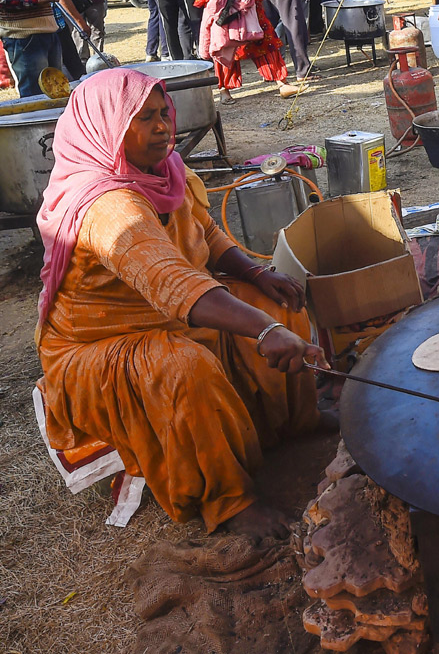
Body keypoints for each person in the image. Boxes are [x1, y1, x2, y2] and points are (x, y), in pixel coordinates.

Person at [35, 69, 327, 541]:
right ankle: (229, 500)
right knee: (183, 369)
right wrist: (264, 333)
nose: (163, 127)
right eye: (144, 118)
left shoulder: (164, 169)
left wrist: (257, 274)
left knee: (280, 304)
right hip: (99, 344)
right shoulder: (108, 207)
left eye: (163, 113)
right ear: (107, 127)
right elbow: (173, 284)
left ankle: (295, 423)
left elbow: (203, 233)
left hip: (175, 309)